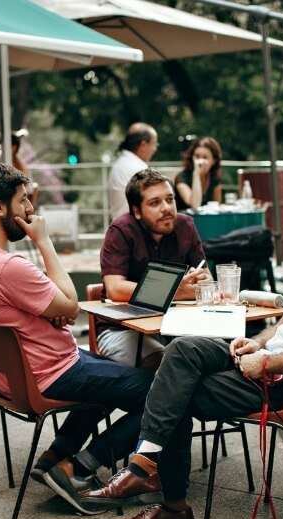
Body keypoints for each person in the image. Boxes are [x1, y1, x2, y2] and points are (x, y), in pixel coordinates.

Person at [81, 177, 283, 519]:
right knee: (183, 349)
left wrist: (267, 363)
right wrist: (256, 343)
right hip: (269, 364)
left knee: (177, 389)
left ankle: (171, 507)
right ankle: (145, 464)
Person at [0, 161, 153, 515]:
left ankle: (55, 455)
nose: (30, 209)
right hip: (51, 373)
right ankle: (77, 469)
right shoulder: (7, 266)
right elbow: (70, 305)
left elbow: (55, 307)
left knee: (111, 373)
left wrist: (55, 308)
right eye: (22, 200)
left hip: (10, 380)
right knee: (158, 393)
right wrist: (44, 241)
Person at [98, 168, 210, 370]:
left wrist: (196, 285)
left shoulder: (186, 225)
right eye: (155, 203)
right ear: (136, 211)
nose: (166, 208)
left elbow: (206, 282)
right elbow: (115, 288)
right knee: (168, 368)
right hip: (123, 329)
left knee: (217, 357)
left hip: (176, 326)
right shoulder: (120, 231)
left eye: (170, 199)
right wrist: (174, 291)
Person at [108, 123, 158, 218]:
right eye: (154, 144)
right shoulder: (137, 169)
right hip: (132, 225)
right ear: (143, 145)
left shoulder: (123, 163)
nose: (155, 149)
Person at [173, 136, 223, 211]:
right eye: (197, 156)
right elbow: (195, 205)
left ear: (213, 161)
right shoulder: (182, 177)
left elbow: (216, 206)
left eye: (205, 157)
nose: (200, 161)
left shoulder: (214, 177)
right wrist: (196, 174)